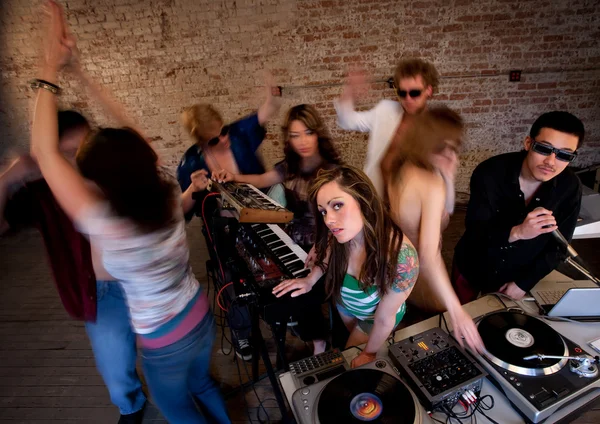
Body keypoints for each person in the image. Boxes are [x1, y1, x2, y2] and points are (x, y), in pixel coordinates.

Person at [30, 3, 230, 423]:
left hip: (165, 340)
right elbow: (133, 132)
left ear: (99, 182)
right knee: (204, 384)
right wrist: (78, 71)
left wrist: (50, 63)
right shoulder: (164, 195)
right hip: (198, 313)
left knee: (176, 409)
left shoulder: (106, 223)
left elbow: (43, 151)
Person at [2, 124, 147, 421]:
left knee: (170, 349)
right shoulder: (44, 192)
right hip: (101, 293)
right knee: (116, 365)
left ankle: (189, 385)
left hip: (145, 277)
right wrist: (8, 177)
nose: (79, 162)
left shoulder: (113, 175)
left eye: (83, 150)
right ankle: (131, 405)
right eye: (68, 153)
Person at [213, 104, 342, 354]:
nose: (302, 141)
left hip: (326, 245)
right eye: (294, 135)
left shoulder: (333, 172)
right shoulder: (289, 166)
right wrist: (232, 176)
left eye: (307, 132)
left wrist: (320, 245)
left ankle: (319, 340)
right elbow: (263, 180)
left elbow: (336, 223)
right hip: (294, 240)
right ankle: (297, 322)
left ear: (318, 134)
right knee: (267, 278)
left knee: (303, 290)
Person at [272, 165, 419, 368]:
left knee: (352, 361)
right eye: (323, 211)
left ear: (363, 199)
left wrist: (368, 353)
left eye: (338, 205)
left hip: (373, 318)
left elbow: (384, 319)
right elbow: (326, 257)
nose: (329, 220)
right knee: (345, 346)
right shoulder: (340, 235)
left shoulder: (401, 257)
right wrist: (310, 280)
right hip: (346, 308)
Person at [177, 78, 280, 361]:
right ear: (200, 142)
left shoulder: (238, 132)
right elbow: (183, 212)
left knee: (270, 266)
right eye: (213, 139)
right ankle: (242, 334)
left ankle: (278, 314)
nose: (223, 139)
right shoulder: (191, 163)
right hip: (222, 228)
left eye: (222, 131)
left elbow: (266, 110)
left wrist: (270, 95)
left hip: (260, 216)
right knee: (231, 279)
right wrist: (192, 189)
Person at [453, 111, 585, 302]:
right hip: (474, 267)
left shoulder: (570, 186)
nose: (551, 162)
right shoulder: (490, 173)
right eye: (544, 149)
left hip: (518, 277)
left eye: (564, 155)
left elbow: (559, 247)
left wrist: (524, 283)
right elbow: (476, 232)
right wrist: (517, 232)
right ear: (528, 143)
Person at [386, 106, 484, 353]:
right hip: (424, 275)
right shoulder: (430, 184)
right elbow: (430, 253)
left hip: (399, 265)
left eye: (454, 147)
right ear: (426, 143)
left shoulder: (400, 167)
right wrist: (456, 309)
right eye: (443, 147)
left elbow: (441, 219)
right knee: (438, 339)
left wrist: (448, 177)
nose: (451, 156)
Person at [335, 58, 439, 197]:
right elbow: (347, 121)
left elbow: (440, 176)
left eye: (414, 93)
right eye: (402, 93)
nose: (407, 99)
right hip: (376, 200)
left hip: (412, 208)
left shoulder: (436, 127)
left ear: (429, 90)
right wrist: (350, 90)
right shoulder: (385, 110)